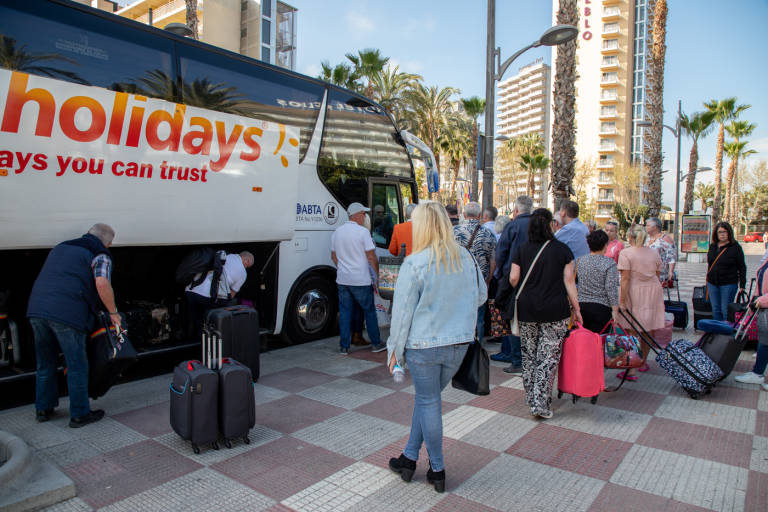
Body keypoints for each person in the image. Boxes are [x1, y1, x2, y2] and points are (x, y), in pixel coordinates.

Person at [386, 201, 487, 492]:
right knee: (427, 400)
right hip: (458, 344)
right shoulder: (465, 258)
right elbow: (481, 296)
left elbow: (402, 315)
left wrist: (395, 351)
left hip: (423, 346)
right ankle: (408, 457)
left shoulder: (415, 263)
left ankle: (438, 469)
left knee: (428, 401)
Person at [27, 223, 119, 427]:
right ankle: (80, 414)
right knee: (76, 364)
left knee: (45, 361)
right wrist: (113, 313)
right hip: (67, 313)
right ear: (108, 242)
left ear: (88, 233)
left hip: (37, 309)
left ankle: (43, 409)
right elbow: (102, 284)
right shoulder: (100, 254)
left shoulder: (61, 247)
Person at [507, 208, 581, 418]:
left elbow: (513, 278)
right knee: (548, 357)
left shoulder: (522, 249)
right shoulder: (562, 250)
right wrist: (577, 308)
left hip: (527, 309)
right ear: (551, 225)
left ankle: (531, 396)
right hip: (555, 311)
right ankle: (540, 402)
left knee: (529, 354)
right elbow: (569, 282)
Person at [331, 202, 385, 354]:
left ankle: (344, 346)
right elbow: (371, 257)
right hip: (360, 279)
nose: (364, 217)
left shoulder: (337, 232)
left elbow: (333, 256)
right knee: (369, 312)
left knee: (345, 312)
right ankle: (376, 343)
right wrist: (378, 276)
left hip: (343, 279)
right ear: (356, 215)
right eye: (363, 214)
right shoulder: (362, 233)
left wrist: (342, 268)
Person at [617, 225, 665, 381]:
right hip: (652, 290)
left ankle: (631, 369)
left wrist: (622, 301)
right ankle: (642, 361)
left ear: (630, 237)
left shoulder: (626, 253)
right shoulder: (654, 252)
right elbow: (658, 274)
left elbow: (625, 279)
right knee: (648, 328)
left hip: (634, 290)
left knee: (632, 330)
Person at [492, 195, 533, 372]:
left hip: (512, 278)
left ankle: (516, 359)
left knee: (512, 317)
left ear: (516, 210)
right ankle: (528, 358)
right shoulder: (537, 225)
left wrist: (501, 274)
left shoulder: (513, 226)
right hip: (534, 278)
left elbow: (501, 252)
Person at [186, 251, 254, 339]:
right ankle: (205, 346)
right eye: (247, 266)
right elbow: (231, 294)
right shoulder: (243, 273)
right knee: (209, 322)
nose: (246, 268)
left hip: (191, 289)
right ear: (247, 261)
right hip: (207, 296)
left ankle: (189, 339)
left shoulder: (225, 255)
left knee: (193, 319)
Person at [453, 202, 497, 340]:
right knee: (478, 318)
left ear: (464, 215)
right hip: (480, 282)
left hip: (458, 280)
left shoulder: (453, 232)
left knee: (458, 315)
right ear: (479, 216)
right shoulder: (488, 234)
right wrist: (488, 280)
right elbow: (493, 261)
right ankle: (477, 352)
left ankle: (460, 347)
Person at [576, 230, 620, 333]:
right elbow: (611, 288)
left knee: (583, 340)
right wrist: (615, 309)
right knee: (598, 341)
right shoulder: (609, 263)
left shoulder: (580, 261)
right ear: (605, 245)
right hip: (602, 308)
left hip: (582, 305)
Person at [734, 258, 768, 389]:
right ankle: (757, 373)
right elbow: (760, 283)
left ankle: (757, 373)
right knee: (764, 342)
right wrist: (753, 301)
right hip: (764, 308)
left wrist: (760, 301)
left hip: (764, 304)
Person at [705, 221, 747, 321]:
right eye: (720, 232)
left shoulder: (735, 247)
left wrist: (742, 285)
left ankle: (726, 331)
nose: (722, 234)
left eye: (725, 232)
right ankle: (718, 331)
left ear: (729, 233)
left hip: (728, 283)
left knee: (725, 310)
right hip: (712, 283)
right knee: (715, 309)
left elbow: (742, 267)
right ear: (716, 234)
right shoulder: (713, 246)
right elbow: (710, 264)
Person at [644, 217, 676, 287]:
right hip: (645, 272)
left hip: (659, 273)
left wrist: (671, 272)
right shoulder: (646, 239)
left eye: (648, 225)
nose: (645, 227)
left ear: (655, 227)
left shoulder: (665, 239)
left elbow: (671, 257)